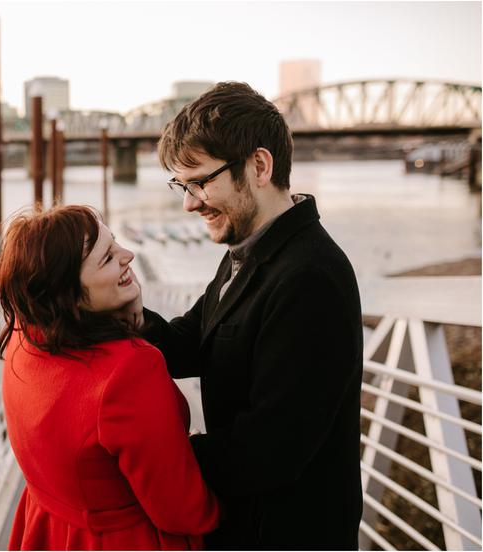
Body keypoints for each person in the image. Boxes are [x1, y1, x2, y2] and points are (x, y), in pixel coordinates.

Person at [134, 82, 364, 550]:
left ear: (259, 166)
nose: (189, 203)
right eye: (182, 184)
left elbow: (271, 449)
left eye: (200, 181)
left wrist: (158, 454)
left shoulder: (311, 277)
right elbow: (191, 341)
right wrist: (118, 315)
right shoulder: (250, 248)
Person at [0, 205, 221, 550]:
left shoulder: (21, 339)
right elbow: (184, 511)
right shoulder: (130, 369)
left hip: (51, 531)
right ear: (67, 294)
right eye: (107, 259)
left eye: (115, 243)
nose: (128, 255)